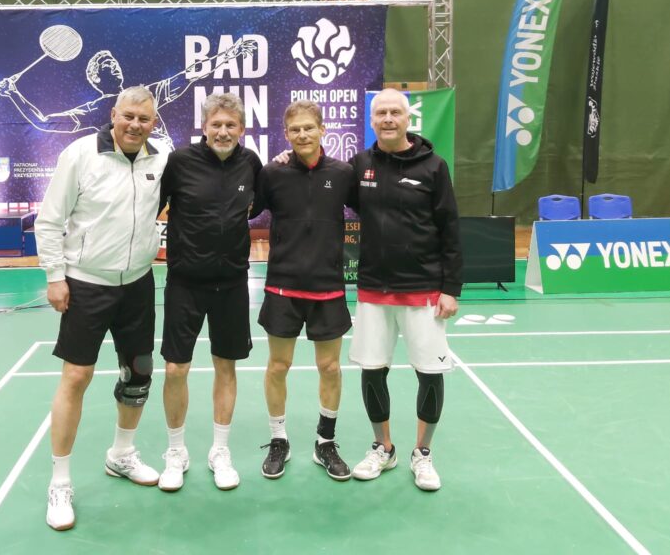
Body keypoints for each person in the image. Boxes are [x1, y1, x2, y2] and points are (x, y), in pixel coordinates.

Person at [34, 86, 168, 532]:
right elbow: (49, 220)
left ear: (153, 122)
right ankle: (60, 482)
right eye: (128, 116)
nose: (135, 125)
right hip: (86, 285)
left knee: (138, 373)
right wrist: (55, 276)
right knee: (76, 377)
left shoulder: (161, 158)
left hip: (138, 285)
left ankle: (121, 455)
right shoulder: (80, 154)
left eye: (144, 119)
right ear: (113, 114)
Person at [347, 88, 462, 491]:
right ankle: (383, 448)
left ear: (408, 118)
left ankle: (422, 453)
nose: (388, 119)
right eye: (381, 113)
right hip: (373, 289)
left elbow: (450, 228)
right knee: (372, 370)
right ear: (372, 120)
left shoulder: (433, 166)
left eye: (395, 112)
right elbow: (322, 184)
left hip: (423, 290)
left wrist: (451, 288)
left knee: (430, 373)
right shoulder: (360, 164)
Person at [157, 93, 263, 492]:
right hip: (185, 282)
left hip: (232, 283)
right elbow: (153, 204)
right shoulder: (180, 162)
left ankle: (220, 450)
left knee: (226, 367)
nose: (223, 131)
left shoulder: (250, 163)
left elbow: (258, 204)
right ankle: (175, 451)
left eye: (230, 125)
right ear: (204, 127)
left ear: (241, 129)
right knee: (175, 369)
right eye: (216, 124)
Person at [255, 100, 355, 481]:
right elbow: (245, 207)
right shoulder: (272, 173)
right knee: (278, 366)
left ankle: (324, 442)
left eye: (308, 127)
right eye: (294, 129)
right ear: (286, 134)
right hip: (283, 286)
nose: (302, 134)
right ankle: (278, 439)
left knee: (330, 367)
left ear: (322, 129)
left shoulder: (343, 173)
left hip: (328, 287)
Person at [0, 38, 256, 151]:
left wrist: (230, 54)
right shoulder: (93, 110)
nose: (115, 67)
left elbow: (189, 74)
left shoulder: (147, 94)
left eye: (115, 63)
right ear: (96, 78)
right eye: (108, 66)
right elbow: (43, 121)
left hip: (163, 164)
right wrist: (14, 93)